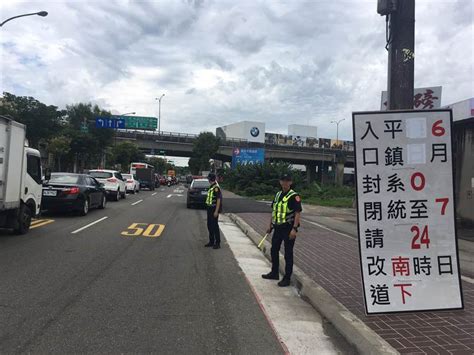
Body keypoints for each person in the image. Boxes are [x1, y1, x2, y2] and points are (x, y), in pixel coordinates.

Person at [262, 173, 302, 287]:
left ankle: (287, 278)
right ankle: (274, 272)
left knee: (288, 254)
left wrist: (294, 229)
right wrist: (269, 225)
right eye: (283, 180)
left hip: (288, 228)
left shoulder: (294, 196)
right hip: (277, 228)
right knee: (274, 250)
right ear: (280, 182)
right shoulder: (278, 194)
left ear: (290, 182)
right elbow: (274, 211)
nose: (285, 183)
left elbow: (297, 213)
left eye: (287, 181)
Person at [205, 173, 222, 249]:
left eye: (208, 178)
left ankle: (217, 243)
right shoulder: (211, 186)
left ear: (211, 179)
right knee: (209, 225)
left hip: (214, 209)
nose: (208, 180)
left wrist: (216, 211)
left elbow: (218, 200)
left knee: (215, 226)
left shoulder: (216, 188)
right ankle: (211, 241)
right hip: (209, 208)